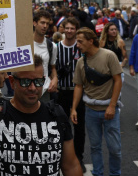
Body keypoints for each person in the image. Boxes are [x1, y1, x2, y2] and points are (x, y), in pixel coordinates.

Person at [0, 56, 82, 175]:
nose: (33, 88)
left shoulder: (56, 114)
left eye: (38, 81)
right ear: (12, 82)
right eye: (25, 82)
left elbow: (70, 165)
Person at [70, 28, 123, 176]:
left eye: (80, 41)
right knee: (95, 147)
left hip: (109, 111)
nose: (77, 45)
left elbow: (118, 81)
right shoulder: (81, 62)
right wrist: (73, 108)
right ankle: (97, 173)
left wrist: (112, 106)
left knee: (115, 149)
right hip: (90, 111)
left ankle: (115, 174)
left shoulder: (108, 55)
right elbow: (79, 86)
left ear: (90, 41)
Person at [54, 17, 87, 172]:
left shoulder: (80, 48)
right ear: (62, 29)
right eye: (66, 28)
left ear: (76, 30)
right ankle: (60, 157)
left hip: (77, 92)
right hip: (61, 92)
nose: (69, 31)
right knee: (59, 126)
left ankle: (79, 157)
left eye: (72, 28)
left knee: (79, 127)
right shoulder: (56, 47)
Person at [32, 10, 58, 101]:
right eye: (42, 23)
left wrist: (55, 79)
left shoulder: (51, 46)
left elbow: (53, 67)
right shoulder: (25, 44)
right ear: (34, 23)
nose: (45, 26)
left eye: (47, 23)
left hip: (44, 90)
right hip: (27, 89)